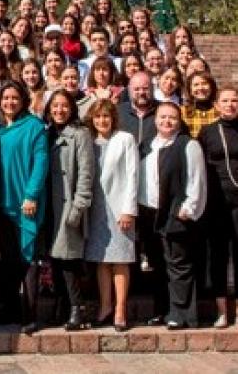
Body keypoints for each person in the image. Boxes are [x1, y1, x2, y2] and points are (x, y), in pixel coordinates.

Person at [138, 102, 207, 329]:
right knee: (157, 264)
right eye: (162, 117)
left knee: (178, 264)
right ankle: (162, 311)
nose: (167, 121)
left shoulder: (188, 144)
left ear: (179, 121)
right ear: (155, 120)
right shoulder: (147, 145)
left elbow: (197, 180)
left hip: (175, 213)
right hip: (149, 212)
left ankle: (183, 314)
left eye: (172, 118)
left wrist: (189, 207)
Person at [0, 81, 48, 334]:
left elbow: (40, 162)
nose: (10, 102)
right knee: (7, 259)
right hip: (2, 203)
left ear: (23, 100)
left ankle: (30, 314)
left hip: (26, 203)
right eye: (5, 98)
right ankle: (9, 308)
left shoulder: (34, 126)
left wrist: (32, 195)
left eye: (15, 98)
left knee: (28, 257)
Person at [83, 99, 139, 331]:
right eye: (97, 117)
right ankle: (105, 306)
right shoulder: (89, 141)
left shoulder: (125, 139)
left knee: (120, 260)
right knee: (101, 261)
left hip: (118, 209)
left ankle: (120, 310)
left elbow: (133, 175)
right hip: (95, 209)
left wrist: (129, 209)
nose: (101, 121)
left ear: (113, 118)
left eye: (106, 116)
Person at [44, 89, 94, 331]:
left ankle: (77, 307)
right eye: (55, 106)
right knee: (55, 258)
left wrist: (79, 205)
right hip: (49, 205)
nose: (59, 110)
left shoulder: (81, 134)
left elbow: (86, 173)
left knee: (69, 259)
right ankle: (61, 305)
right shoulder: (47, 134)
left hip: (68, 204)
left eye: (64, 106)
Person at [198, 86, 238, 328]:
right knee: (219, 255)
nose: (230, 105)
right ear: (217, 105)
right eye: (225, 101)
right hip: (217, 202)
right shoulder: (208, 132)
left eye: (234, 100)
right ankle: (222, 310)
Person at [118, 71, 157, 145]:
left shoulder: (163, 111)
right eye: (137, 89)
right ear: (129, 90)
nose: (141, 92)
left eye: (145, 88)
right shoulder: (118, 112)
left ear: (152, 88)